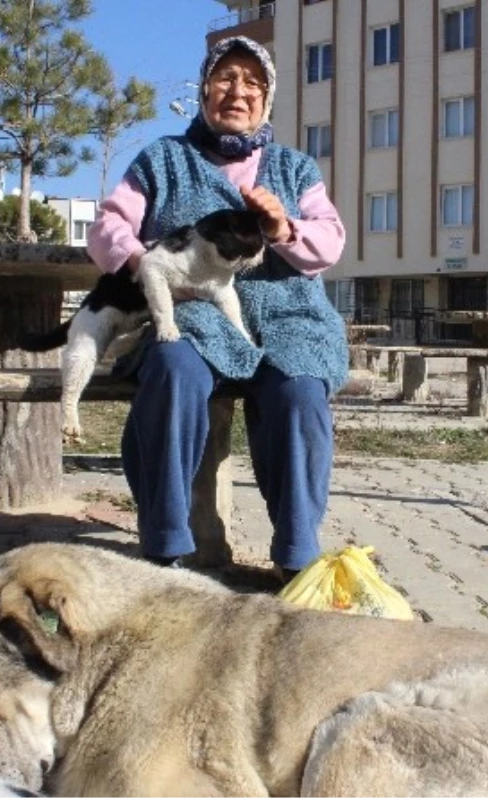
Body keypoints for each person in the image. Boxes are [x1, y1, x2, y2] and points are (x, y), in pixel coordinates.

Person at [87, 36, 348, 582]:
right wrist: (141, 264)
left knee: (300, 390)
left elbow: (330, 245)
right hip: (194, 311)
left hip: (287, 317)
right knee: (173, 367)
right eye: (227, 78)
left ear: (267, 101)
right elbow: (108, 226)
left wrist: (283, 228)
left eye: (254, 83)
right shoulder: (163, 159)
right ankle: (164, 546)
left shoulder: (296, 169)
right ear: (205, 90)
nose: (239, 92)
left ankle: (297, 555)